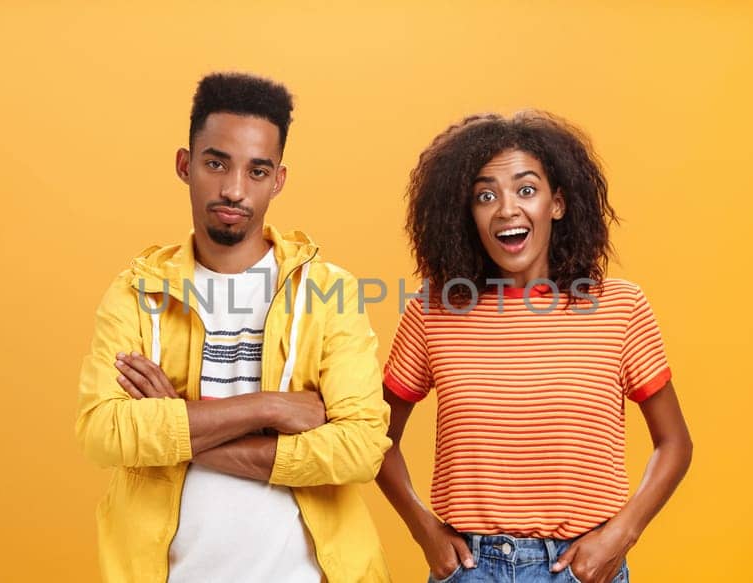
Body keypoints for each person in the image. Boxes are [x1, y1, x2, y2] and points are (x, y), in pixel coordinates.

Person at [75, 72, 391, 582]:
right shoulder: (137, 291)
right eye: (216, 163)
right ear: (185, 165)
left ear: (279, 180)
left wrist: (175, 424)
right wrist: (268, 407)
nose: (234, 190)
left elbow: (360, 449)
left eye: (257, 171)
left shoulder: (329, 291)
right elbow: (102, 433)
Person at [375, 111, 694, 583]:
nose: (507, 210)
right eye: (486, 195)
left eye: (526, 190)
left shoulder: (619, 307)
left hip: (583, 569)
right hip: (471, 570)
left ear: (557, 203)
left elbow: (675, 444)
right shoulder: (433, 311)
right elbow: (375, 438)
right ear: (467, 214)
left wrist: (621, 536)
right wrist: (425, 531)